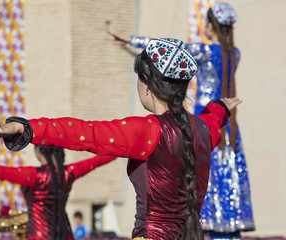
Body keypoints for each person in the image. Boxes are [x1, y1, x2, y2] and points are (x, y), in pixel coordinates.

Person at [0, 37, 242, 240]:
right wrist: (221, 106)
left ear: (147, 84)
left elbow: (84, 132)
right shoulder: (204, 130)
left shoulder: (147, 131)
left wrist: (24, 128)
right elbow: (213, 117)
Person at [107, 3, 255, 239]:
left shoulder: (208, 51)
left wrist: (130, 39)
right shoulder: (234, 54)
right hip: (225, 125)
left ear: (211, 25)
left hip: (201, 118)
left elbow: (170, 51)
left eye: (207, 23)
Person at [0, 145, 116, 240]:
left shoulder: (33, 176)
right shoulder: (69, 172)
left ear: (39, 152)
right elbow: (98, 160)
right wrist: (129, 149)